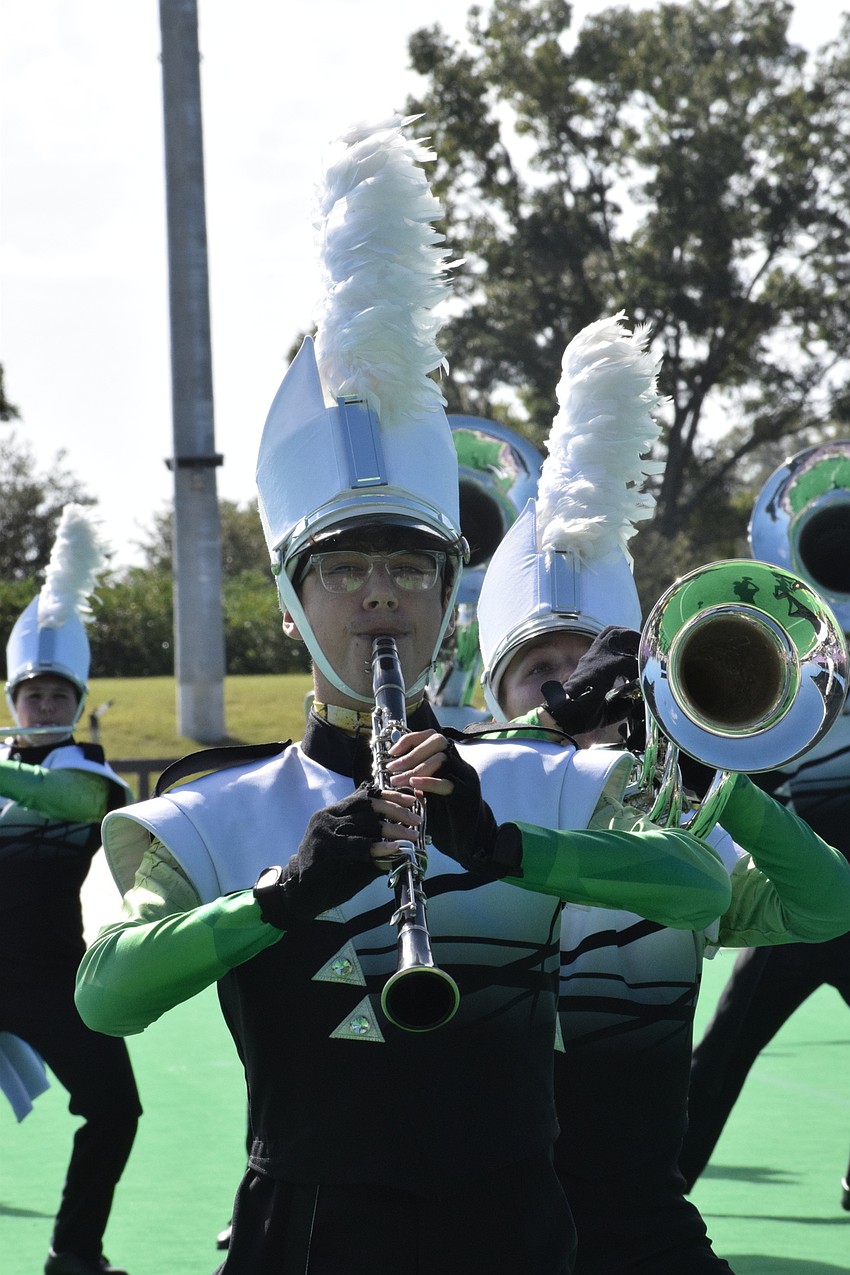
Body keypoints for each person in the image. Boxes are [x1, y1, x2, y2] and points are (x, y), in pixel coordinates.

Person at [74, 121, 733, 1275]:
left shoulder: (551, 783)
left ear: (447, 597)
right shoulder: (206, 813)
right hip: (305, 1237)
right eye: (341, 570)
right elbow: (107, 997)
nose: (377, 596)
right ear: (290, 603)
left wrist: (511, 846)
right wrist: (285, 894)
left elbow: (700, 887)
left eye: (409, 569)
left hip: (522, 1235)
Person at [461, 315, 850, 1274]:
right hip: (477, 1229)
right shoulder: (451, 806)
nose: (564, 687)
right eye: (536, 672)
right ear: (493, 694)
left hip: (644, 1230)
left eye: (585, 664)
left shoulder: (684, 827)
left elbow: (827, 901)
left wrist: (717, 772)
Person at [679, 442, 850, 1204]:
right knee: (727, 1043)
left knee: (728, 1041)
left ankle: (657, 1184)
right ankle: (656, 1186)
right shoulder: (799, 637)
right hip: (806, 851)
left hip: (810, 848)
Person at [0, 505, 139, 1275]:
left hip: (54, 974)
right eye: (32, 695)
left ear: (76, 702)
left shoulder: (88, 769)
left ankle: (74, 1251)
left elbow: (78, 806)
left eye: (58, 696)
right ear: (14, 700)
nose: (46, 706)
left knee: (115, 1109)